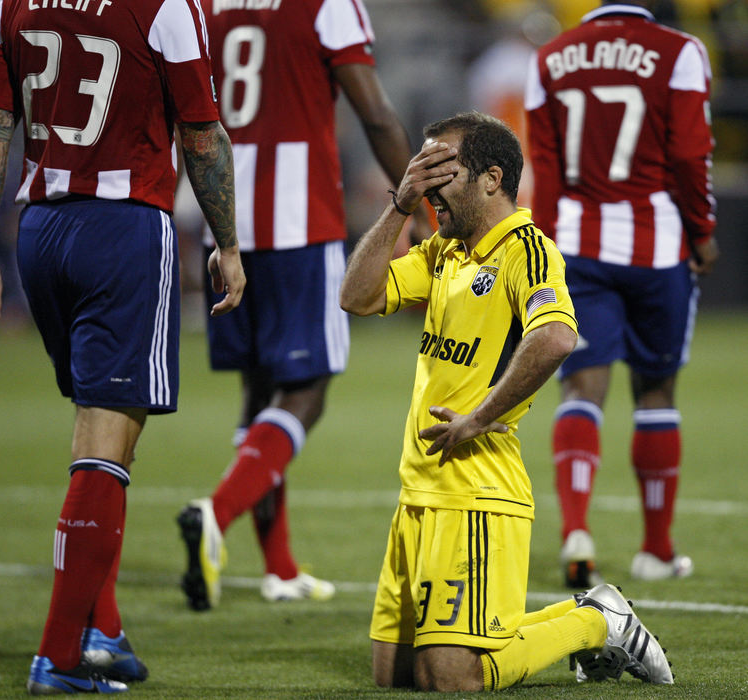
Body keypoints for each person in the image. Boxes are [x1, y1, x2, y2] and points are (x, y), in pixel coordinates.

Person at [0, 0, 244, 693]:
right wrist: (228, 244)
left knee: (98, 428)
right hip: (122, 230)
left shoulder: (14, 4)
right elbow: (202, 134)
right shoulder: (163, 6)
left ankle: (103, 632)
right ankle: (58, 660)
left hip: (39, 234)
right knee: (105, 444)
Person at [340, 110, 673, 691]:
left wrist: (479, 418)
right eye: (422, 169)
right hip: (417, 491)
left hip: (477, 492)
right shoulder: (442, 251)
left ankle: (595, 622)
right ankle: (593, 613)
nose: (427, 186)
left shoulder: (526, 250)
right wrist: (400, 204)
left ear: (490, 178)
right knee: (393, 676)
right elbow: (357, 296)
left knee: (452, 678)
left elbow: (556, 335)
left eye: (440, 170)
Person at [177, 0, 431, 609]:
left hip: (227, 220)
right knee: (307, 391)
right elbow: (375, 113)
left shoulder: (205, 6)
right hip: (299, 219)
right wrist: (418, 206)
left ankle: (280, 568)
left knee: (258, 390)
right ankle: (217, 512)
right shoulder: (325, 4)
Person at [524, 0, 718, 588]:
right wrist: (703, 231)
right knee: (656, 390)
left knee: (583, 385)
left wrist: (547, 248)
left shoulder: (552, 56)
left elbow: (547, 166)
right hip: (657, 247)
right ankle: (656, 550)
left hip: (579, 247)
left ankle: (576, 531)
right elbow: (689, 154)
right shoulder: (680, 51)